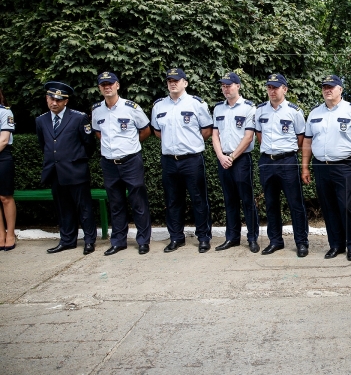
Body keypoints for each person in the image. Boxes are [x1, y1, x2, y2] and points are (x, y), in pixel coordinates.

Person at [301, 75, 351, 261]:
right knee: (328, 206)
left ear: (340, 89)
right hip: (321, 166)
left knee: (347, 206)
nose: (327, 90)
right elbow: (307, 142)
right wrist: (305, 167)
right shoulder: (315, 113)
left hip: (344, 166)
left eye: (331, 86)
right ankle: (336, 244)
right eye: (324, 87)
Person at [151, 68, 213, 253]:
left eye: (176, 80)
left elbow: (207, 130)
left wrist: (190, 143)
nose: (173, 83)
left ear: (185, 83)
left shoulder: (197, 104)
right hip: (169, 160)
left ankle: (203, 237)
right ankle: (176, 238)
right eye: (170, 80)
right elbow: (156, 131)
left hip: (191, 159)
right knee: (172, 201)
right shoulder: (159, 106)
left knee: (199, 200)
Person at [91, 71, 152, 255]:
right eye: (103, 85)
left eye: (110, 83)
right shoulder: (96, 110)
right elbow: (98, 133)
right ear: (100, 88)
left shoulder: (131, 107)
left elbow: (145, 130)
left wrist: (130, 146)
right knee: (115, 202)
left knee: (137, 201)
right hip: (109, 163)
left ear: (117, 85)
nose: (107, 87)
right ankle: (118, 241)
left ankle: (143, 240)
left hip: (130, 160)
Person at [36, 81, 97, 254]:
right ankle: (67, 240)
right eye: (51, 99)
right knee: (63, 209)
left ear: (66, 101)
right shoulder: (41, 120)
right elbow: (44, 144)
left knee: (84, 207)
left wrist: (76, 160)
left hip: (76, 171)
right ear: (47, 98)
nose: (54, 103)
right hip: (55, 171)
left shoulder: (78, 117)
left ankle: (89, 240)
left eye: (59, 100)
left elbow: (89, 144)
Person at [254, 73, 309, 257]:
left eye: (275, 87)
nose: (272, 90)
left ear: (284, 89)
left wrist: (286, 152)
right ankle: (275, 241)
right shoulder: (260, 110)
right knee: (271, 204)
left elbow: (301, 139)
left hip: (287, 161)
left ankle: (301, 242)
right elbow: (259, 136)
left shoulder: (294, 111)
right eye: (269, 87)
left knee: (295, 204)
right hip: (267, 161)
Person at [211, 72, 260, 253]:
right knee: (229, 200)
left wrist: (231, 157)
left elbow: (248, 137)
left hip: (240, 160)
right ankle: (232, 238)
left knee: (247, 200)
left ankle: (253, 238)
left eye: (229, 85)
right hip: (223, 159)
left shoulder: (248, 108)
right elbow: (215, 135)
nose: (225, 89)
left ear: (238, 86)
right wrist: (221, 156)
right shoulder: (218, 109)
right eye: (223, 86)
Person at [0, 88, 17, 251]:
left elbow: (4, 140)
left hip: (2, 157)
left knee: (5, 197)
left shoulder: (5, 112)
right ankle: (0, 235)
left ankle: (10, 234)